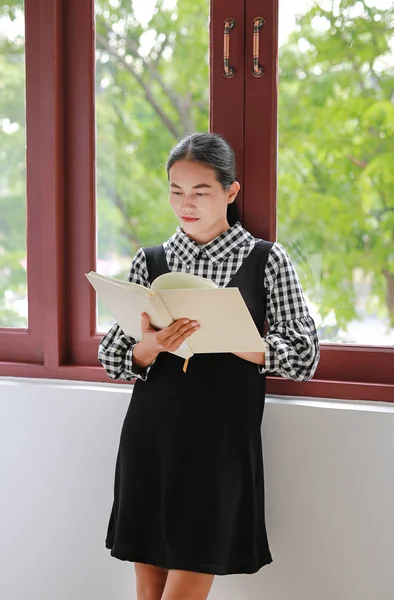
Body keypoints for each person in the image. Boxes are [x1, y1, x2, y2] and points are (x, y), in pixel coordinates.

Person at [98, 132, 320, 600]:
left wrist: (242, 342)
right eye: (176, 191)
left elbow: (304, 355)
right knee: (147, 585)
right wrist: (150, 347)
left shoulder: (266, 260)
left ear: (231, 192)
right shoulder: (150, 261)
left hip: (220, 443)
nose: (186, 204)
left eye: (200, 192)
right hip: (151, 437)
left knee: (189, 579)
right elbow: (113, 357)